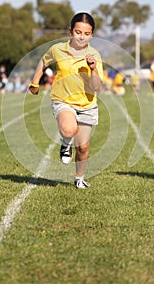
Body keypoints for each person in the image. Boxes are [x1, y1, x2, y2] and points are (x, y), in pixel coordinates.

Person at [29, 12, 103, 189]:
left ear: (92, 34)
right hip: (63, 100)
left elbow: (96, 86)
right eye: (78, 32)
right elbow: (43, 61)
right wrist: (35, 81)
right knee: (69, 129)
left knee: (83, 148)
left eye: (86, 33)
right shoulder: (58, 49)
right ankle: (65, 143)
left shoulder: (95, 55)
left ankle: (79, 178)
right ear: (71, 31)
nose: (82, 37)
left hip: (87, 104)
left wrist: (93, 70)